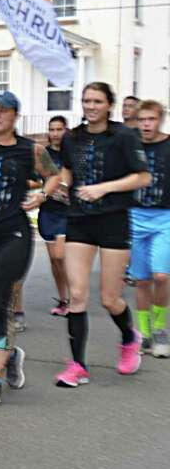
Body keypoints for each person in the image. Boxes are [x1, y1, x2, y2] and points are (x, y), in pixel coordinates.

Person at [54, 81, 150, 388]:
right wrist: (64, 184)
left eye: (97, 101)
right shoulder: (72, 137)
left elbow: (142, 177)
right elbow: (68, 168)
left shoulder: (123, 135)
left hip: (113, 219)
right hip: (79, 220)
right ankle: (77, 365)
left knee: (110, 298)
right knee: (77, 295)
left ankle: (129, 336)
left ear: (109, 104)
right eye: (86, 101)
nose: (91, 106)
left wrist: (102, 188)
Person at [0, 92, 61, 405]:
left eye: (2, 110)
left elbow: (53, 175)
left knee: (2, 302)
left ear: (15, 115)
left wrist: (42, 196)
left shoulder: (30, 149)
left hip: (13, 234)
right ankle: (10, 353)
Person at [130, 99, 170, 357]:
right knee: (141, 280)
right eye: (142, 119)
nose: (146, 124)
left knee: (161, 276)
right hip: (134, 217)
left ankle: (160, 328)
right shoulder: (131, 145)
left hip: (165, 217)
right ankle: (143, 333)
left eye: (151, 119)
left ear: (160, 120)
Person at [38, 116, 72, 315]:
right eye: (52, 129)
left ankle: (75, 296)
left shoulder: (73, 153)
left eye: (59, 129)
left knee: (61, 256)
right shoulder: (44, 154)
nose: (56, 133)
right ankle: (63, 299)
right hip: (48, 211)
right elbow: (39, 178)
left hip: (67, 212)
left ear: (65, 131)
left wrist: (68, 188)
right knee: (54, 260)